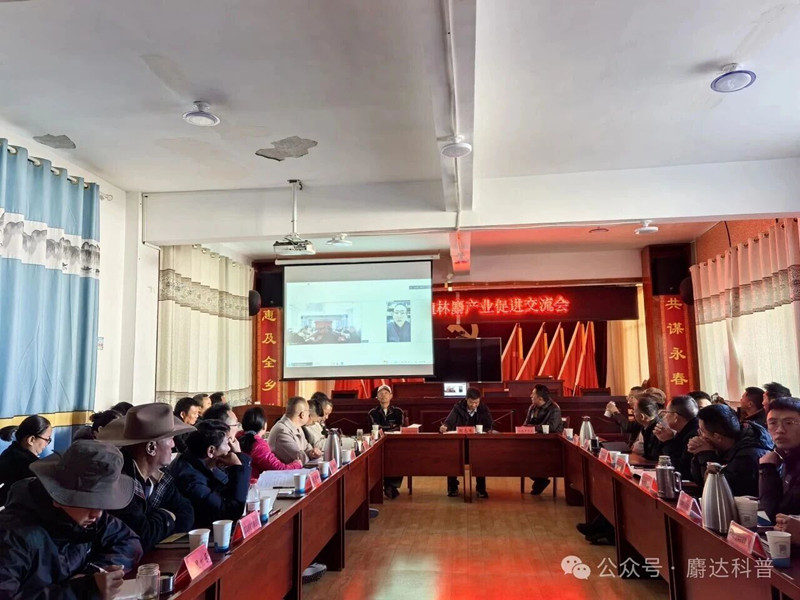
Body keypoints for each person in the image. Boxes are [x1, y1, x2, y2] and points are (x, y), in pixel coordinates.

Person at [0, 440, 142, 599]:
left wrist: (94, 572)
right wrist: (82, 590)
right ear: (58, 496)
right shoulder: (12, 537)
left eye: (102, 503)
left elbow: (130, 542)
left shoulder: (86, 518)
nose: (97, 514)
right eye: (88, 502)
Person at [98, 403, 196, 553]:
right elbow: (142, 536)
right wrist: (167, 515)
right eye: (170, 439)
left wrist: (154, 523)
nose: (173, 445)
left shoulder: (160, 475)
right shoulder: (119, 481)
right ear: (151, 447)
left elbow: (187, 512)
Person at [170, 420, 252, 529]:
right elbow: (230, 512)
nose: (230, 448)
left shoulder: (199, 460)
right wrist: (237, 466)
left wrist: (239, 456)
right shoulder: (190, 480)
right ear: (211, 451)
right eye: (227, 443)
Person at [687, 404, 772, 496]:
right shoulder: (720, 445)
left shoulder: (748, 455)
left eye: (702, 431)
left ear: (717, 437)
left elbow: (719, 490)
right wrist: (699, 454)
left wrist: (706, 455)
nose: (699, 435)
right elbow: (699, 481)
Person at [440, 387, 494, 498]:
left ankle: (481, 489)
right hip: (461, 442)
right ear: (466, 399)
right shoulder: (458, 408)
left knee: (481, 460)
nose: (474, 405)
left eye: (476, 402)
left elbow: (489, 424)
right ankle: (452, 488)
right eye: (471, 402)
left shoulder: (483, 408)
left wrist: (487, 430)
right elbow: (448, 422)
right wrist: (444, 427)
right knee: (452, 457)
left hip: (477, 443)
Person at [760, 397, 800, 521]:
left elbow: (776, 516)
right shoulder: (786, 454)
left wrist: (767, 468)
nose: (780, 430)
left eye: (789, 423)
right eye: (773, 423)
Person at [0, 415, 52, 505]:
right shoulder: (32, 467)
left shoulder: (9, 452)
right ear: (31, 440)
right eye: (47, 439)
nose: (47, 443)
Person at [238, 406, 303, 478]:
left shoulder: (237, 438)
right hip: (254, 483)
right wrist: (297, 464)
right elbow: (279, 469)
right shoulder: (258, 445)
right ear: (264, 425)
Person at [525, 384, 564, 495]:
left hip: (550, 444)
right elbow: (526, 424)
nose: (530, 396)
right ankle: (541, 480)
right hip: (535, 442)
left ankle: (541, 480)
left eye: (533, 394)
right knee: (520, 455)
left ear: (540, 398)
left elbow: (552, 428)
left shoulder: (554, 409)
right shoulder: (532, 407)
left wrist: (533, 428)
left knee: (532, 457)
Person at [369, 385, 405, 498]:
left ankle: (391, 485)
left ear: (391, 396)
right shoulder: (372, 412)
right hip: (378, 442)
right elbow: (375, 427)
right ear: (377, 397)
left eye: (386, 393)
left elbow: (400, 426)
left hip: (395, 442)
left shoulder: (398, 411)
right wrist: (390, 428)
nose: (383, 395)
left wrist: (385, 429)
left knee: (399, 457)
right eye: (381, 393)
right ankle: (388, 485)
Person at [268, 397, 323, 465]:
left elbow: (307, 447)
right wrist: (309, 454)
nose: (309, 414)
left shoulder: (297, 426)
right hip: (284, 471)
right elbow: (299, 458)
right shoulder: (282, 431)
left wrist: (312, 452)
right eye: (308, 411)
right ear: (302, 414)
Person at [654, 395, 699, 478]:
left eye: (666, 412)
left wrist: (668, 442)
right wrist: (662, 439)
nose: (664, 416)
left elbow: (681, 470)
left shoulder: (694, 435)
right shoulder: (682, 430)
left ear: (675, 417)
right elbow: (656, 457)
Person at [631, 394, 663, 460]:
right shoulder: (646, 426)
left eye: (634, 411)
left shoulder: (658, 429)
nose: (633, 413)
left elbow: (654, 457)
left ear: (642, 416)